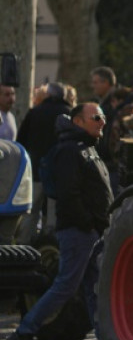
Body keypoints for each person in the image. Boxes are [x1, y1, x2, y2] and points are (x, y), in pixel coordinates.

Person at [6, 102, 113, 340]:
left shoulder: (86, 148)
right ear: (78, 122)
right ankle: (25, 331)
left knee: (92, 287)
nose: (102, 122)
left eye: (103, 118)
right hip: (79, 231)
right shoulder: (70, 150)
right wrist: (88, 223)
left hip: (90, 231)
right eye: (96, 117)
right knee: (66, 285)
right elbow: (68, 194)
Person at [14, 82, 71, 243]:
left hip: (35, 170)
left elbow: (21, 141)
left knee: (31, 211)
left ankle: (22, 247)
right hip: (58, 172)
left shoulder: (35, 112)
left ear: (47, 95)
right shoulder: (68, 113)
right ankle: (49, 251)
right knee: (53, 213)